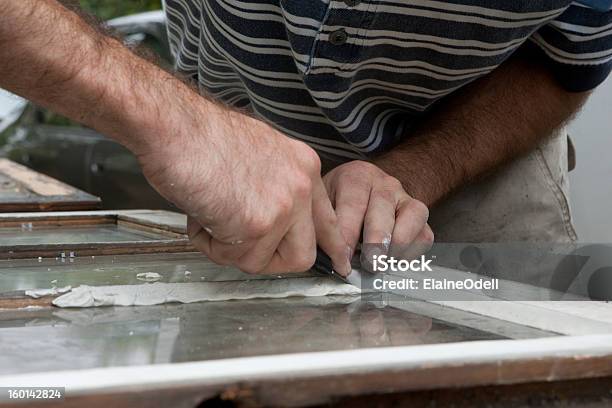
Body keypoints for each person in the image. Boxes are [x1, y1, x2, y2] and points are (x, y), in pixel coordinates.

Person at [1, 1, 610, 277]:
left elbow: (563, 61)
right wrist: (186, 126)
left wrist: (416, 172)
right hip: (229, 151)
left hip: (475, 166)